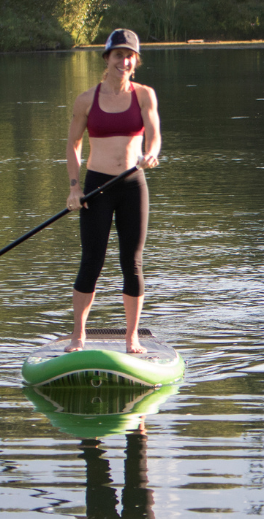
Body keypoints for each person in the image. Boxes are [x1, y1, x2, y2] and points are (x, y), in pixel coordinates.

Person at [65, 28, 161, 354]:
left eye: (130, 56)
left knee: (132, 263)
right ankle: (78, 336)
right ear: (107, 59)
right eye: (119, 54)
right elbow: (73, 145)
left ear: (136, 61)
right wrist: (74, 188)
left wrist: (151, 153)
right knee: (91, 261)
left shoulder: (145, 95)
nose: (125, 61)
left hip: (133, 186)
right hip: (97, 188)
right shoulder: (86, 100)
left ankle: (132, 338)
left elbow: (154, 135)